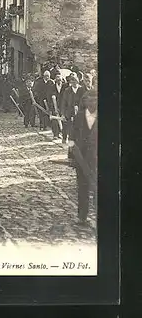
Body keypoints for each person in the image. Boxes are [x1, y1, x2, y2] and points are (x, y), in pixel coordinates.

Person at [70, 81, 98, 225]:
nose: (93, 103)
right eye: (90, 100)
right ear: (85, 102)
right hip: (81, 158)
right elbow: (71, 138)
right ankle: (82, 216)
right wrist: (72, 153)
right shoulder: (79, 117)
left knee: (98, 187)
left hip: (97, 159)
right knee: (83, 188)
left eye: (96, 100)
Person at [60, 72, 86, 147]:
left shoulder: (82, 90)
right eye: (72, 81)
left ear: (78, 81)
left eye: (75, 81)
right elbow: (64, 103)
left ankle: (78, 144)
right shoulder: (67, 91)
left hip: (79, 113)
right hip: (69, 113)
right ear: (70, 82)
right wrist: (63, 113)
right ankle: (69, 144)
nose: (74, 83)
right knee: (69, 129)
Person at [48, 70, 67, 140]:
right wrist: (52, 107)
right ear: (55, 80)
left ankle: (60, 133)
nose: (59, 80)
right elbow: (50, 97)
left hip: (63, 106)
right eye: (57, 79)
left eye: (60, 79)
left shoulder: (65, 87)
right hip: (54, 106)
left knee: (62, 120)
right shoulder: (52, 87)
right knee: (54, 120)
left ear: (62, 79)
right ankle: (55, 134)